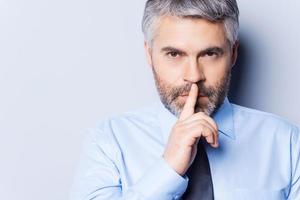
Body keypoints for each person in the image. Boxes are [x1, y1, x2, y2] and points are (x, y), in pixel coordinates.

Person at [70, 0, 300, 199]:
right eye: (174, 54)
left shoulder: (286, 143)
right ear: (150, 55)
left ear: (233, 54)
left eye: (210, 54)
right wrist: (168, 169)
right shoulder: (109, 142)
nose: (193, 76)